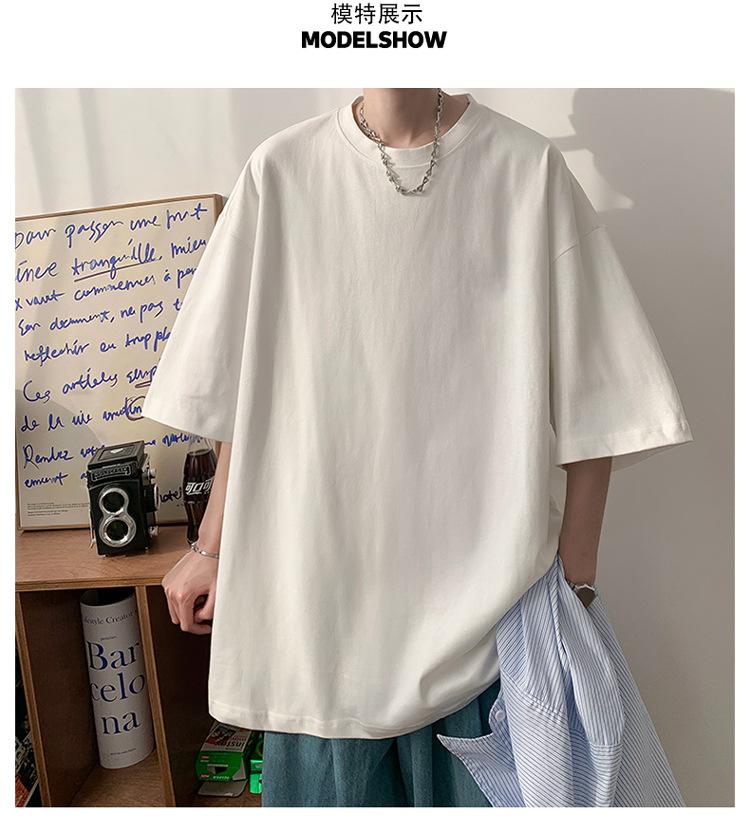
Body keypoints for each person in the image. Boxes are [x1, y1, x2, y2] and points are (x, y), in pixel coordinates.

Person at [143, 88, 693, 806]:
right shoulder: (281, 172)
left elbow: (605, 397)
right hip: (320, 622)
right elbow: (240, 392)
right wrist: (211, 545)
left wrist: (575, 585)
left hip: (490, 631)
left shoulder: (526, 171)